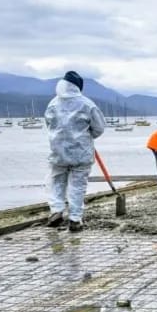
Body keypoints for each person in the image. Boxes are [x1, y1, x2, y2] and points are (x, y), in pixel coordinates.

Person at [44, 70, 106, 232]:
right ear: (78, 87)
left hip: (58, 152)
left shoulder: (53, 103)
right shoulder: (87, 104)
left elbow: (49, 125)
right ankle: (75, 219)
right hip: (81, 153)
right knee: (78, 186)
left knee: (56, 182)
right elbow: (99, 128)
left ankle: (56, 211)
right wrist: (87, 135)